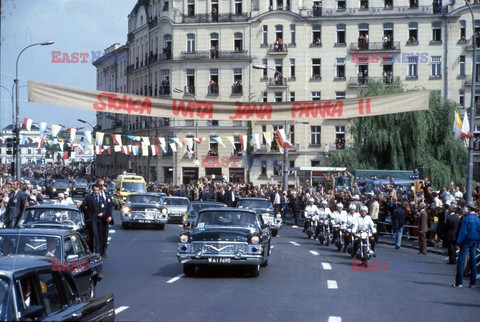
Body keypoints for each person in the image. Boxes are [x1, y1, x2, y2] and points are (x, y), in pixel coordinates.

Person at [453, 201, 480, 288]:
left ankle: (459, 282)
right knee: (473, 260)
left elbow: (463, 232)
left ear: (469, 208)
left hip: (467, 240)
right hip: (475, 240)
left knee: (461, 260)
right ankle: (472, 283)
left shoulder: (467, 218)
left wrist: (458, 242)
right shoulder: (478, 219)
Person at [80, 184, 105, 256]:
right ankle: (93, 251)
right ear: (92, 191)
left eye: (97, 190)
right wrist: (87, 213)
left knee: (99, 235)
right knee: (94, 235)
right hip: (92, 219)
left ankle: (98, 251)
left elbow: (104, 207)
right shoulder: (89, 197)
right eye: (95, 190)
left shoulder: (101, 198)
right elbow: (82, 205)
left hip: (99, 219)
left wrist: (102, 213)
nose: (96, 192)